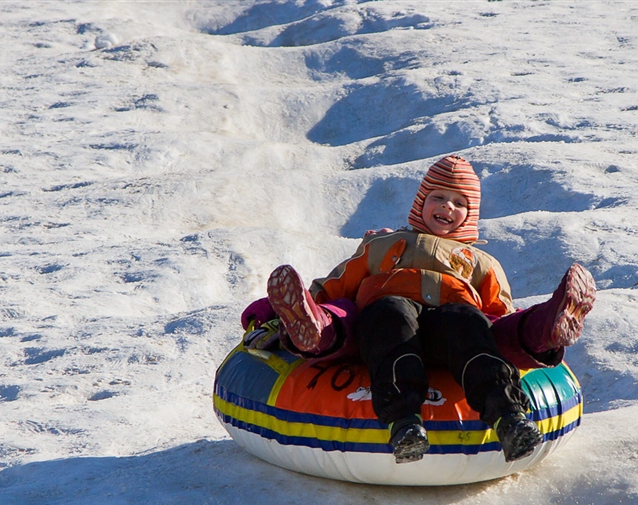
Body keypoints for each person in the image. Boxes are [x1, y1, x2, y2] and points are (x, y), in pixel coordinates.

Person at [242, 155, 595, 464]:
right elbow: (333, 287)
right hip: (384, 327)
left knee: (475, 324)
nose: (447, 208)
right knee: (366, 312)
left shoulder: (480, 262)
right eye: (438, 198)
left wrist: (508, 327)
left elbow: (499, 312)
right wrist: (271, 315)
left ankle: (514, 404)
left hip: (451, 332)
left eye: (459, 203)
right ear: (420, 203)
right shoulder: (381, 244)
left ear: (471, 214)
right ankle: (402, 420)